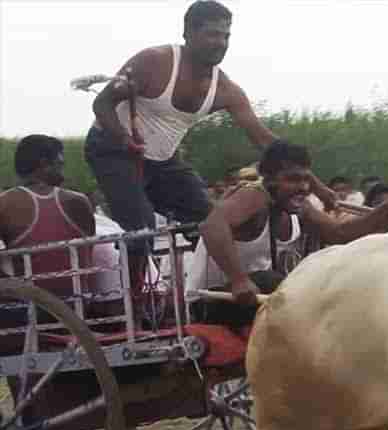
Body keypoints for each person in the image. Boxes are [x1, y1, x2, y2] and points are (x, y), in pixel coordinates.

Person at [85, 1, 335, 288]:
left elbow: (268, 144)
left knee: (210, 217)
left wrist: (318, 187)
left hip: (162, 161)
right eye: (212, 34)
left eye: (226, 36)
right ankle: (134, 299)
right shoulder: (153, 62)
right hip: (113, 150)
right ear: (188, 33)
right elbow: (101, 104)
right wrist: (124, 138)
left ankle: (212, 288)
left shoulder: (226, 90)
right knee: (142, 228)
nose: (220, 43)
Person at [191, 140, 388, 326]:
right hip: (210, 303)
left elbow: (339, 234)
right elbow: (211, 226)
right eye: (293, 179)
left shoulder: (299, 206)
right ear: (268, 179)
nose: (304, 188)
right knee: (277, 282)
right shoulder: (253, 195)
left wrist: (387, 210)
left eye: (307, 179)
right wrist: (239, 280)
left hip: (259, 298)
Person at [0, 135, 96, 298]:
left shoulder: (5, 203)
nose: (63, 173)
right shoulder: (78, 201)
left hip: (29, 307)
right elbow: (88, 254)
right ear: (44, 164)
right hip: (78, 303)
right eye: (60, 164)